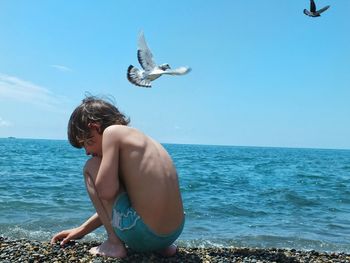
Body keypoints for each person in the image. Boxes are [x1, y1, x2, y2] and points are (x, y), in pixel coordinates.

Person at [50, 96, 185, 258]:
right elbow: (116, 205)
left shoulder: (111, 133)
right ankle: (161, 247)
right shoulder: (142, 141)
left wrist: (98, 168)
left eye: (87, 142)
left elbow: (106, 193)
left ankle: (114, 243)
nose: (87, 151)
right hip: (173, 233)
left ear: (95, 127)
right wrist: (82, 230)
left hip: (144, 234)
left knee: (90, 166)